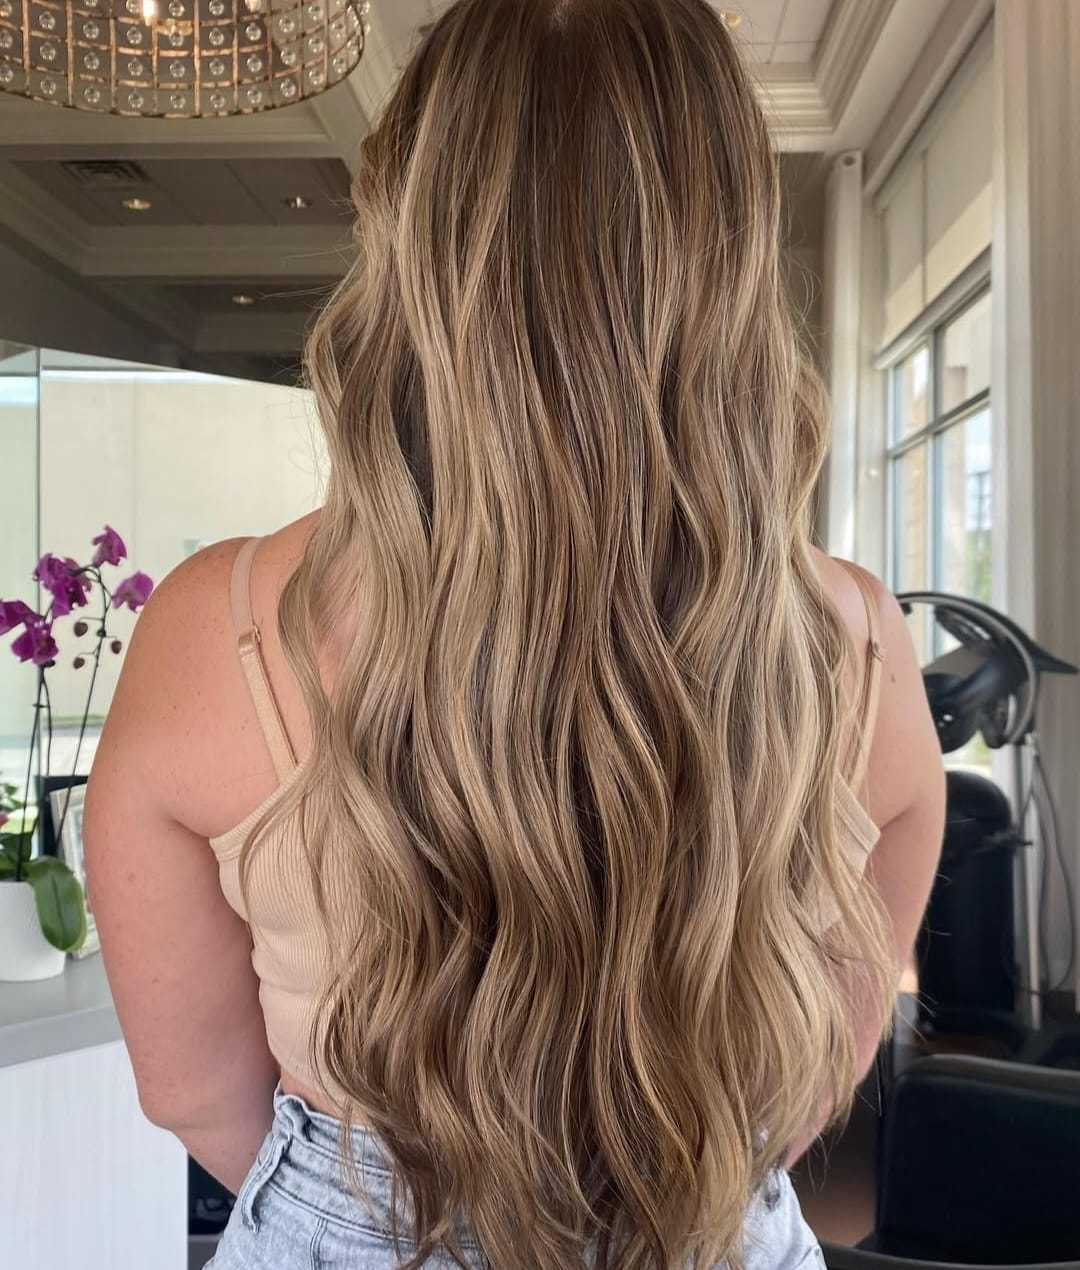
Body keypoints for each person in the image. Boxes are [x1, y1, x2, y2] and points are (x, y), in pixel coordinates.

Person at [83, 1, 946, 1266]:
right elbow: (815, 1071)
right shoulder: (857, 640)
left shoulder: (215, 632)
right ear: (727, 244)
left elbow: (197, 1097)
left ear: (409, 235)